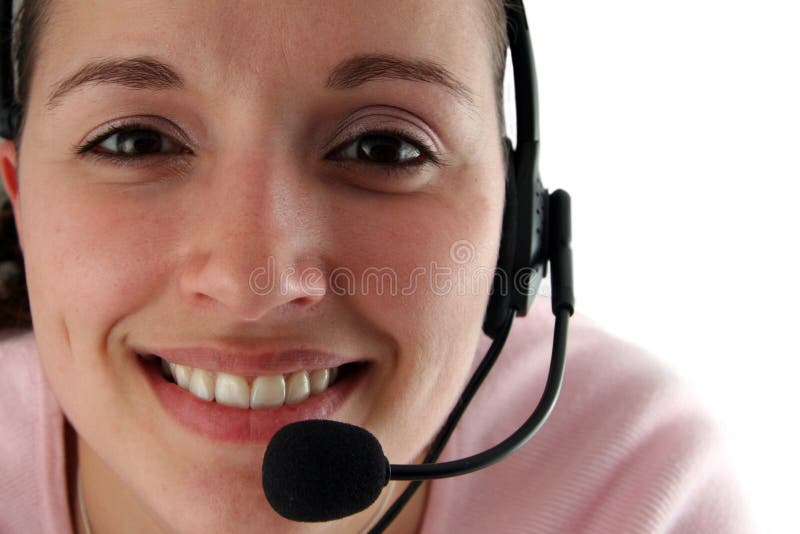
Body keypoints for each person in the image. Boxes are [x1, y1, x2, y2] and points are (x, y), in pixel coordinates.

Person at [0, 1, 754, 532]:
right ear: (19, 199)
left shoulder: (637, 486)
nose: (253, 282)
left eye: (384, 149)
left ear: (517, 223)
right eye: (136, 142)